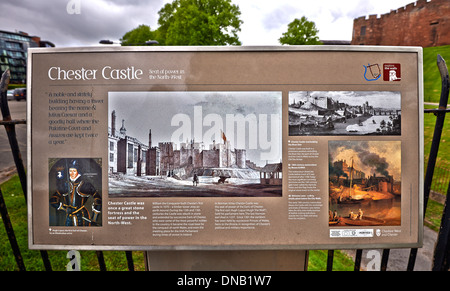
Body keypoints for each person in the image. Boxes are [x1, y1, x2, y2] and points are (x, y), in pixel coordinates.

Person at [50, 159, 102, 226]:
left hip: (83, 216)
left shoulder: (86, 185)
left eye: (74, 171)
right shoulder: (65, 185)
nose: (71, 173)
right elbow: (53, 200)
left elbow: (98, 201)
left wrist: (94, 219)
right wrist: (65, 208)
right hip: (69, 217)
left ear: (78, 172)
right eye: (70, 171)